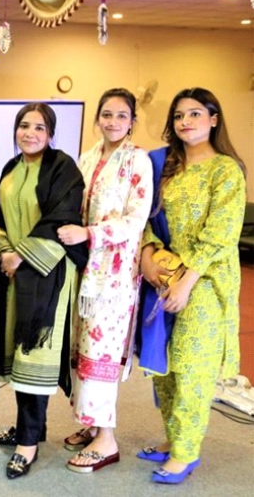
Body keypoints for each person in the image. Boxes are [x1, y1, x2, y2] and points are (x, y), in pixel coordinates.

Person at [138, 88, 246, 484]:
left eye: (195, 114)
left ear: (214, 119)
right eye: (179, 116)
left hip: (205, 280)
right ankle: (172, 436)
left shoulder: (226, 170)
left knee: (190, 367)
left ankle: (186, 452)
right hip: (163, 274)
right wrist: (148, 255)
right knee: (162, 367)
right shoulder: (166, 166)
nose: (186, 122)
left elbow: (221, 235)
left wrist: (187, 282)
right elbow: (146, 216)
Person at [0, 102, 88, 480]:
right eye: (24, 126)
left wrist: (21, 256)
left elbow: (62, 220)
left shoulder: (63, 168)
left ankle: (28, 444)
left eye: (39, 128)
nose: (29, 133)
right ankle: (29, 428)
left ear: (51, 134)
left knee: (34, 359)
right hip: (14, 274)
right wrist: (5, 253)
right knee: (18, 355)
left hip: (47, 276)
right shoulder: (11, 168)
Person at [56, 89, 152, 473]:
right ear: (97, 118)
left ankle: (107, 439)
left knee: (103, 354)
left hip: (113, 276)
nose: (113, 121)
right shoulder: (89, 156)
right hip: (85, 270)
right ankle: (93, 423)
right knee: (83, 349)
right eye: (107, 114)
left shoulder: (138, 161)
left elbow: (135, 218)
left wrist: (89, 234)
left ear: (132, 121)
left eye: (121, 115)